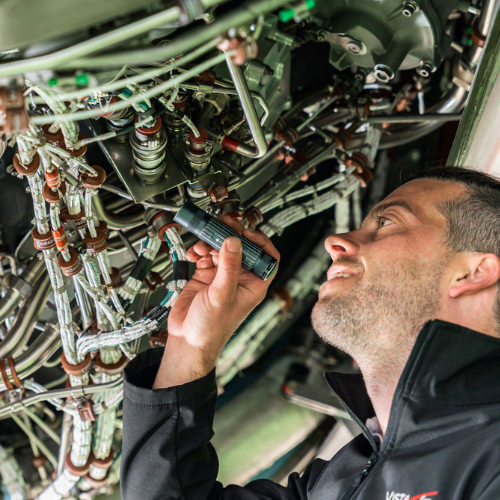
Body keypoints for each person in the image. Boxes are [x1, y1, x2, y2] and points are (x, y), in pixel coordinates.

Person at [120, 166, 500, 500]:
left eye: (386, 222)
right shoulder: (339, 481)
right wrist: (190, 345)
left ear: (473, 273)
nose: (335, 242)